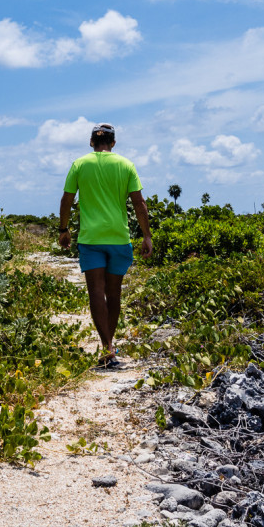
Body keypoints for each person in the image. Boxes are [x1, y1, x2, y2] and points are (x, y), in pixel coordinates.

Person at [58, 122, 152, 368]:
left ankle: (107, 345)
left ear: (91, 142)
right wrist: (147, 236)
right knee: (114, 293)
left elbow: (67, 199)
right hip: (119, 238)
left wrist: (64, 229)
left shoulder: (79, 164)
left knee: (96, 294)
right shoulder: (126, 164)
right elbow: (139, 203)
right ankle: (110, 346)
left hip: (90, 240)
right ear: (113, 143)